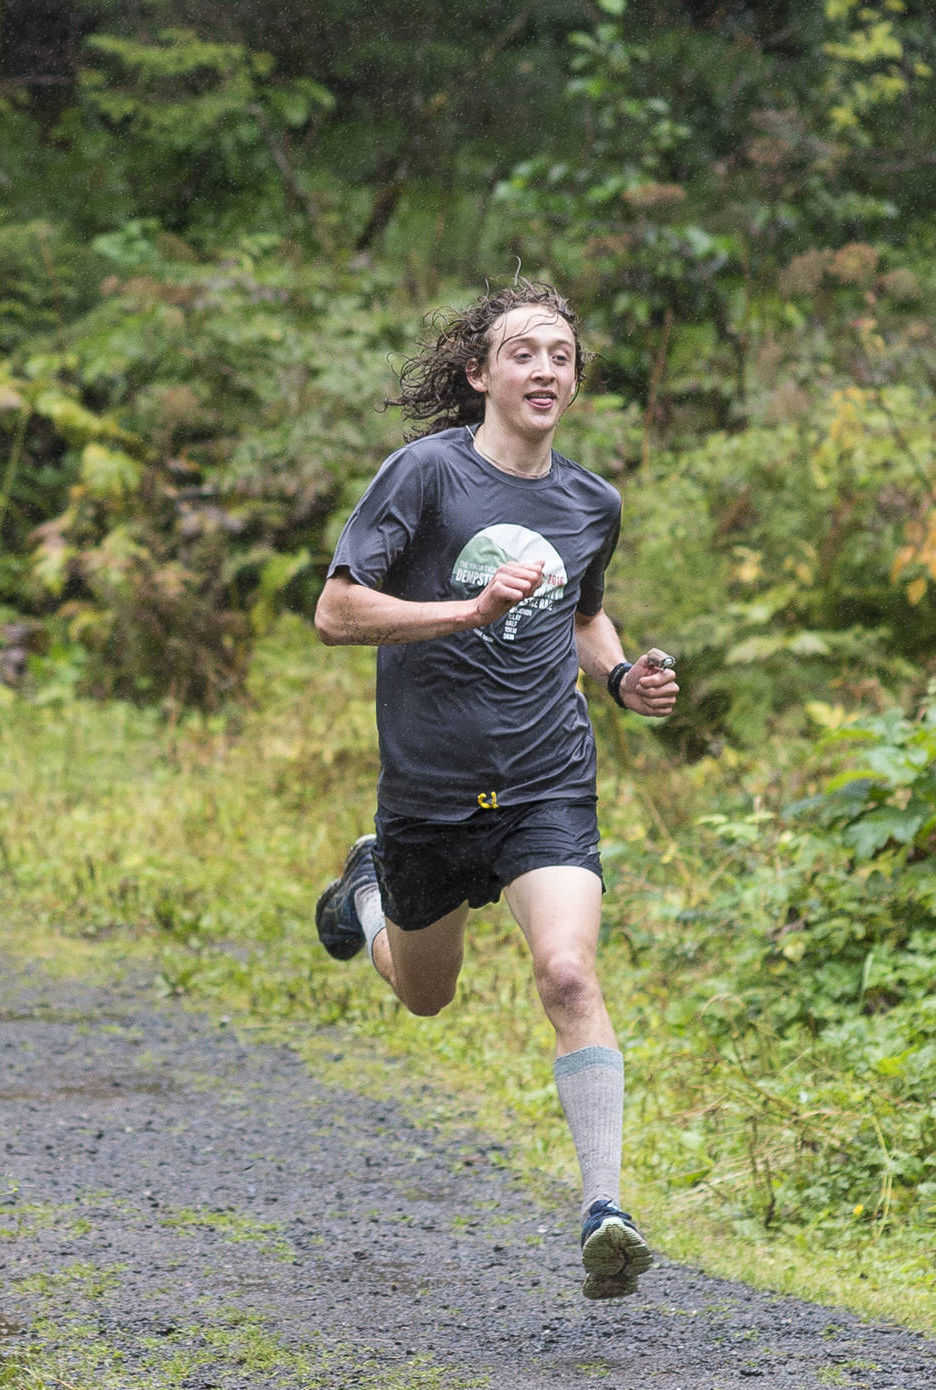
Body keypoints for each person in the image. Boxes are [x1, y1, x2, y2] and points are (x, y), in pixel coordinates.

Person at [310, 280, 678, 1301]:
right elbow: (335, 613)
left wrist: (618, 678)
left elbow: (578, 615)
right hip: (427, 793)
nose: (545, 370)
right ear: (479, 373)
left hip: (542, 782)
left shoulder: (589, 501)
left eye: (561, 354)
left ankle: (604, 1210)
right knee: (424, 996)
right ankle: (367, 891)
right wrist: (462, 613)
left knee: (566, 975)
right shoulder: (422, 478)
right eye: (523, 353)